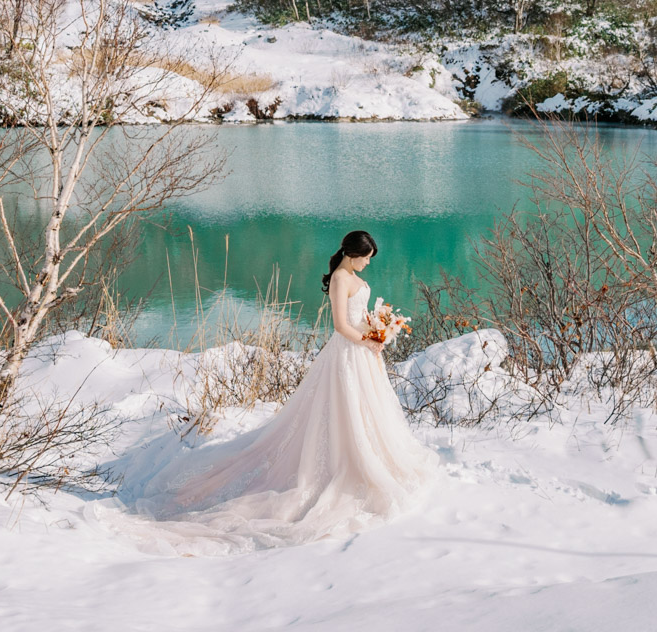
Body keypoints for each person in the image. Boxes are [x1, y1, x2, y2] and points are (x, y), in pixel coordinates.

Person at [102, 230, 438, 555]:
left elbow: (359, 315)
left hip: (363, 353)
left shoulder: (353, 276)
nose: (368, 264)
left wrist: (378, 329)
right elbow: (339, 325)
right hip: (347, 353)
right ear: (352, 254)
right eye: (366, 258)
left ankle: (367, 455)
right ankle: (343, 461)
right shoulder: (339, 278)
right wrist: (367, 340)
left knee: (366, 409)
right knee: (342, 408)